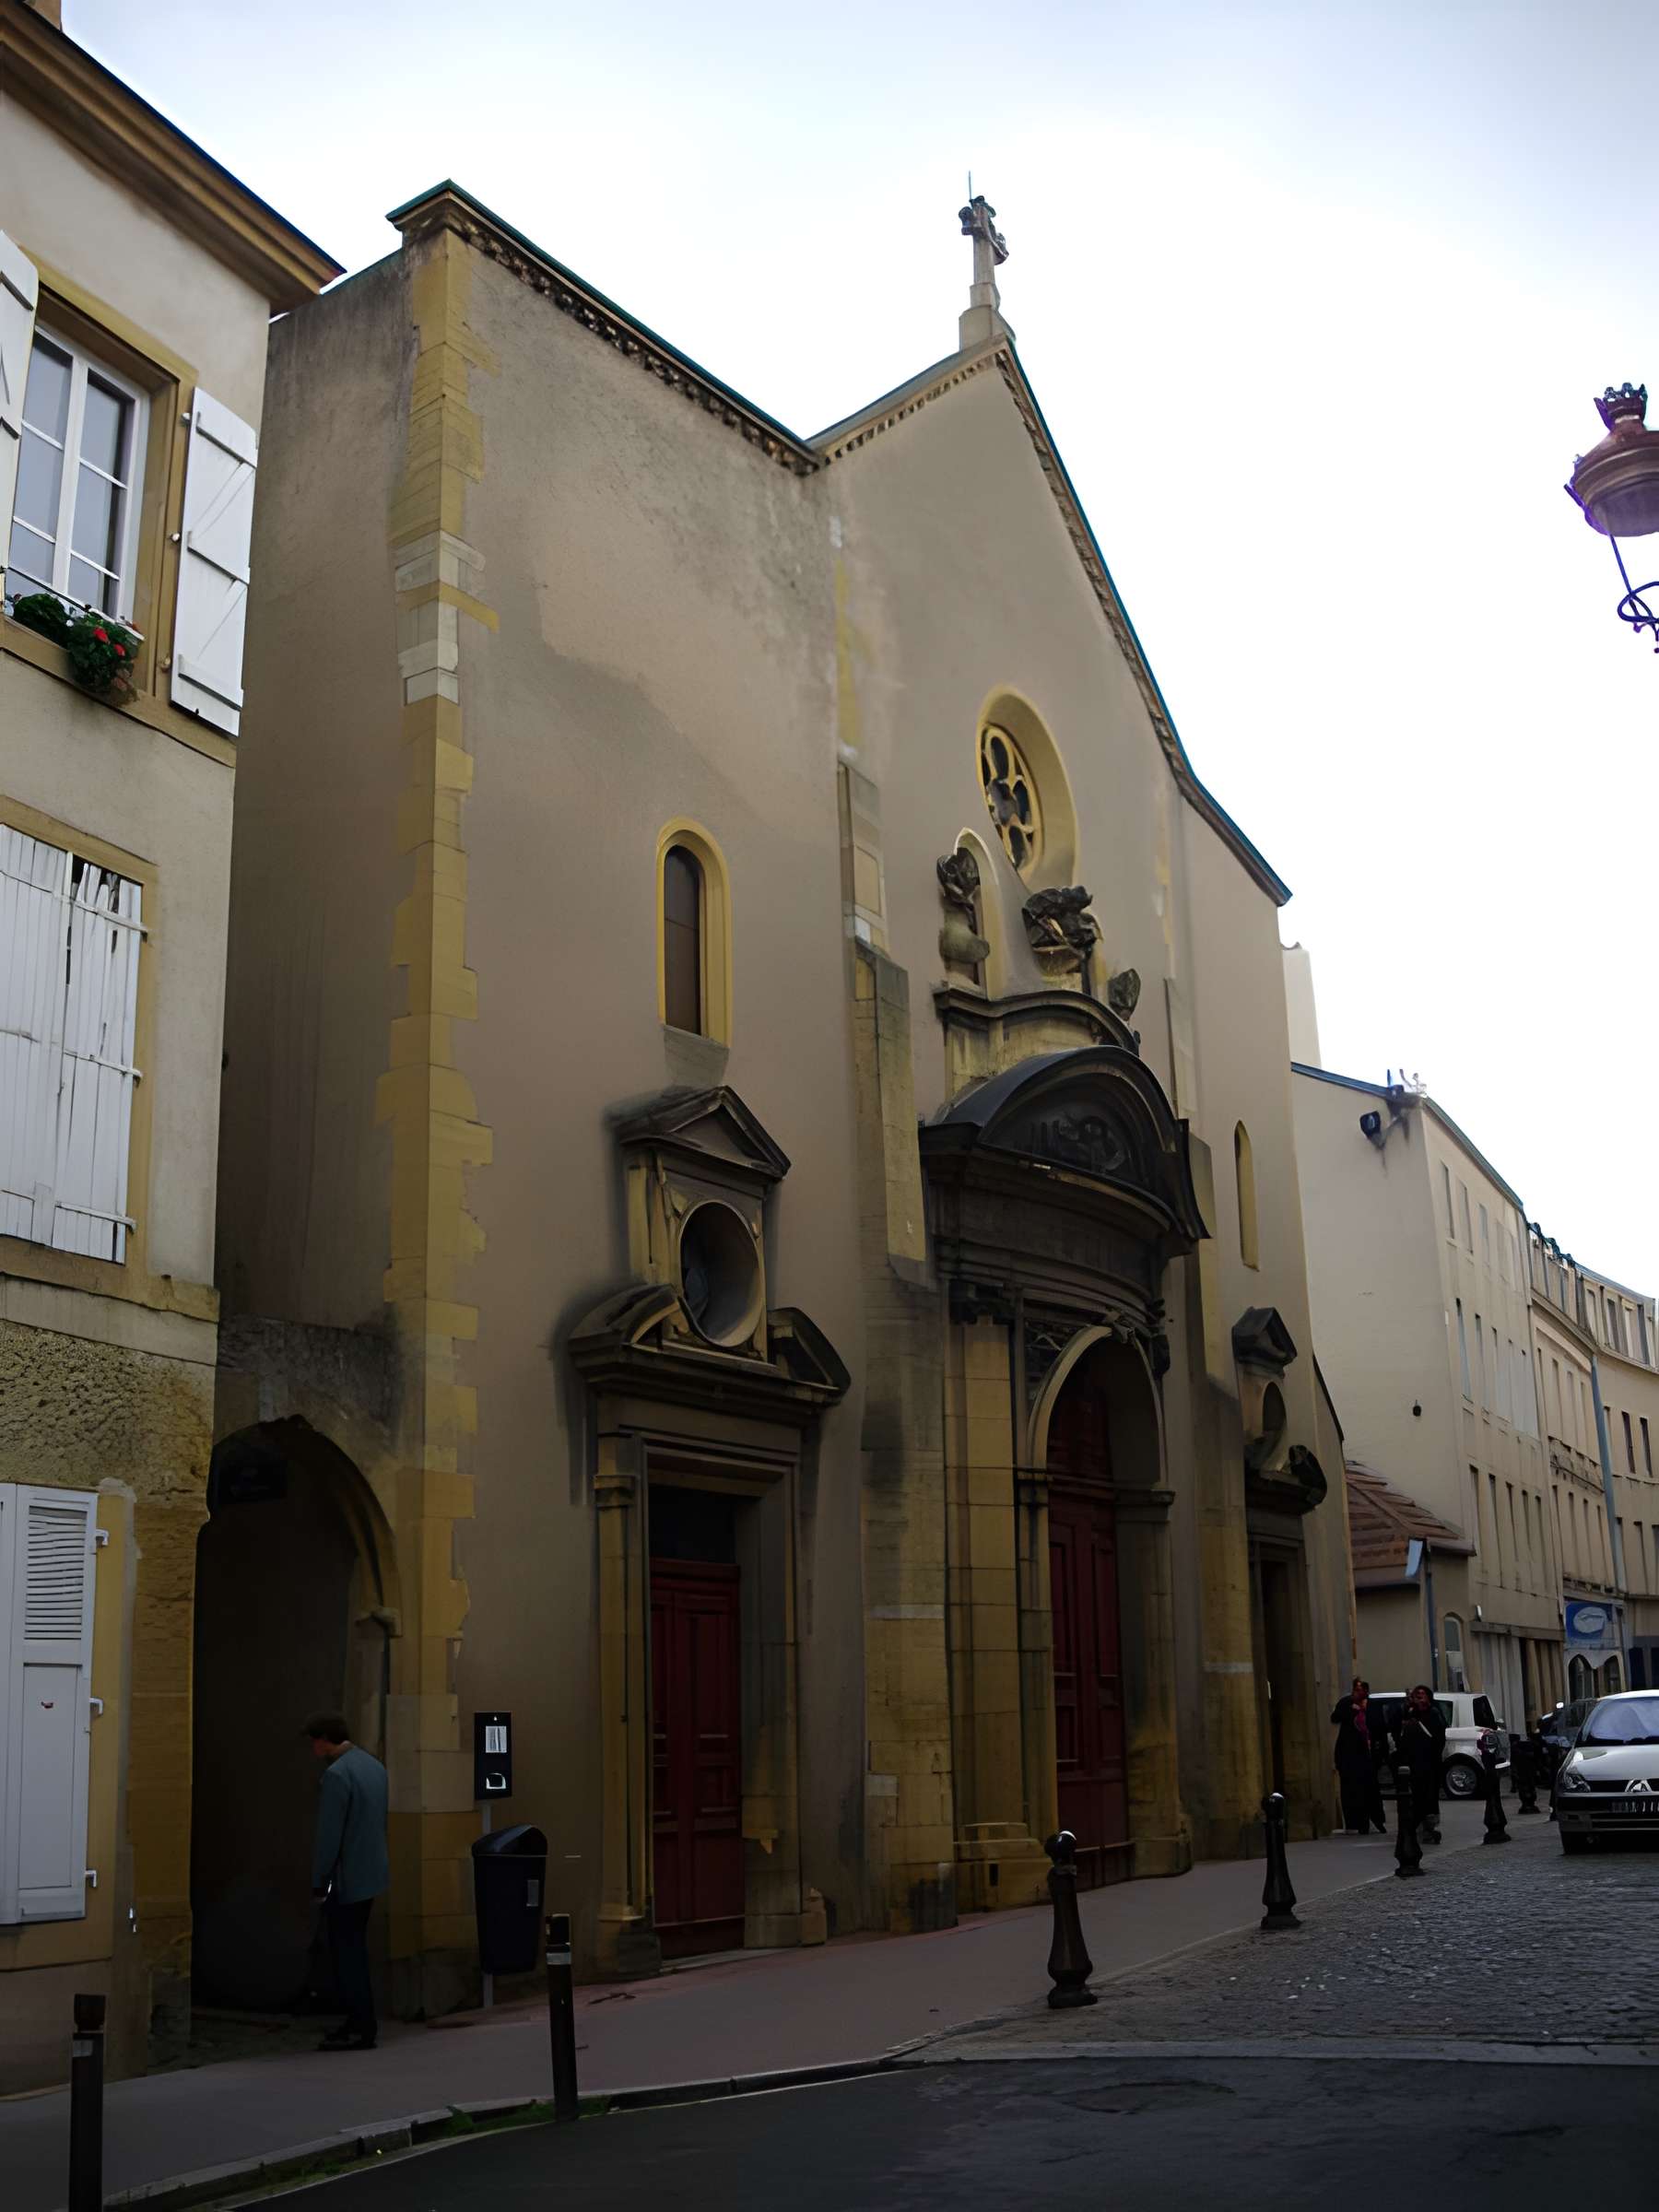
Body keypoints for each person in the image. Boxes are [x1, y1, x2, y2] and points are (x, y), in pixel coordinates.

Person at [306, 1712, 389, 2052]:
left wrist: (318, 1881)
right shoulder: (373, 1766)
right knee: (354, 1948)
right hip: (373, 1872)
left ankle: (361, 2025)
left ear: (324, 1740)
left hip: (348, 1877)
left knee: (347, 1954)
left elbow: (330, 1836)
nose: (313, 1749)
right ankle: (358, 2022)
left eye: (314, 1742)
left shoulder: (337, 1775)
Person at [1330, 1677, 1388, 1834]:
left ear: (1366, 1692)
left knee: (1370, 1790)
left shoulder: (1373, 1706)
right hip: (1349, 1755)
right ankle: (1355, 1822)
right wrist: (1351, 1710)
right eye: (1355, 1690)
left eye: (1359, 1690)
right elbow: (1335, 1718)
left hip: (1368, 1755)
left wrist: (1381, 1753)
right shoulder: (1346, 1703)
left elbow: (1380, 1729)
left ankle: (1376, 1819)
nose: (1356, 1693)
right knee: (1351, 1790)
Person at [1396, 1684, 1447, 1844]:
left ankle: (1428, 1828)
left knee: (1429, 1795)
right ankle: (1417, 1826)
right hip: (1414, 1761)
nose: (1419, 1696)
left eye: (1422, 1694)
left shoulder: (1434, 1713)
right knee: (1417, 1795)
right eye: (1416, 1694)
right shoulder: (1411, 1712)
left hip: (1430, 1762)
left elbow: (1439, 1738)